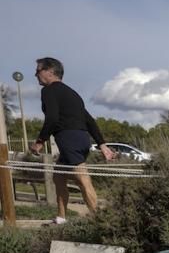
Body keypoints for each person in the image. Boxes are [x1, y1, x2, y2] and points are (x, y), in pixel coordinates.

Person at [28, 57, 114, 224]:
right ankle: (61, 218)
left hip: (69, 140)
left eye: (38, 71)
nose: (35, 74)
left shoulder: (49, 91)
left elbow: (52, 118)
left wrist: (40, 141)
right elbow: (89, 120)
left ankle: (101, 223)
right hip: (82, 139)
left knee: (83, 179)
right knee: (58, 177)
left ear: (50, 72)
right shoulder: (72, 94)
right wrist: (103, 145)